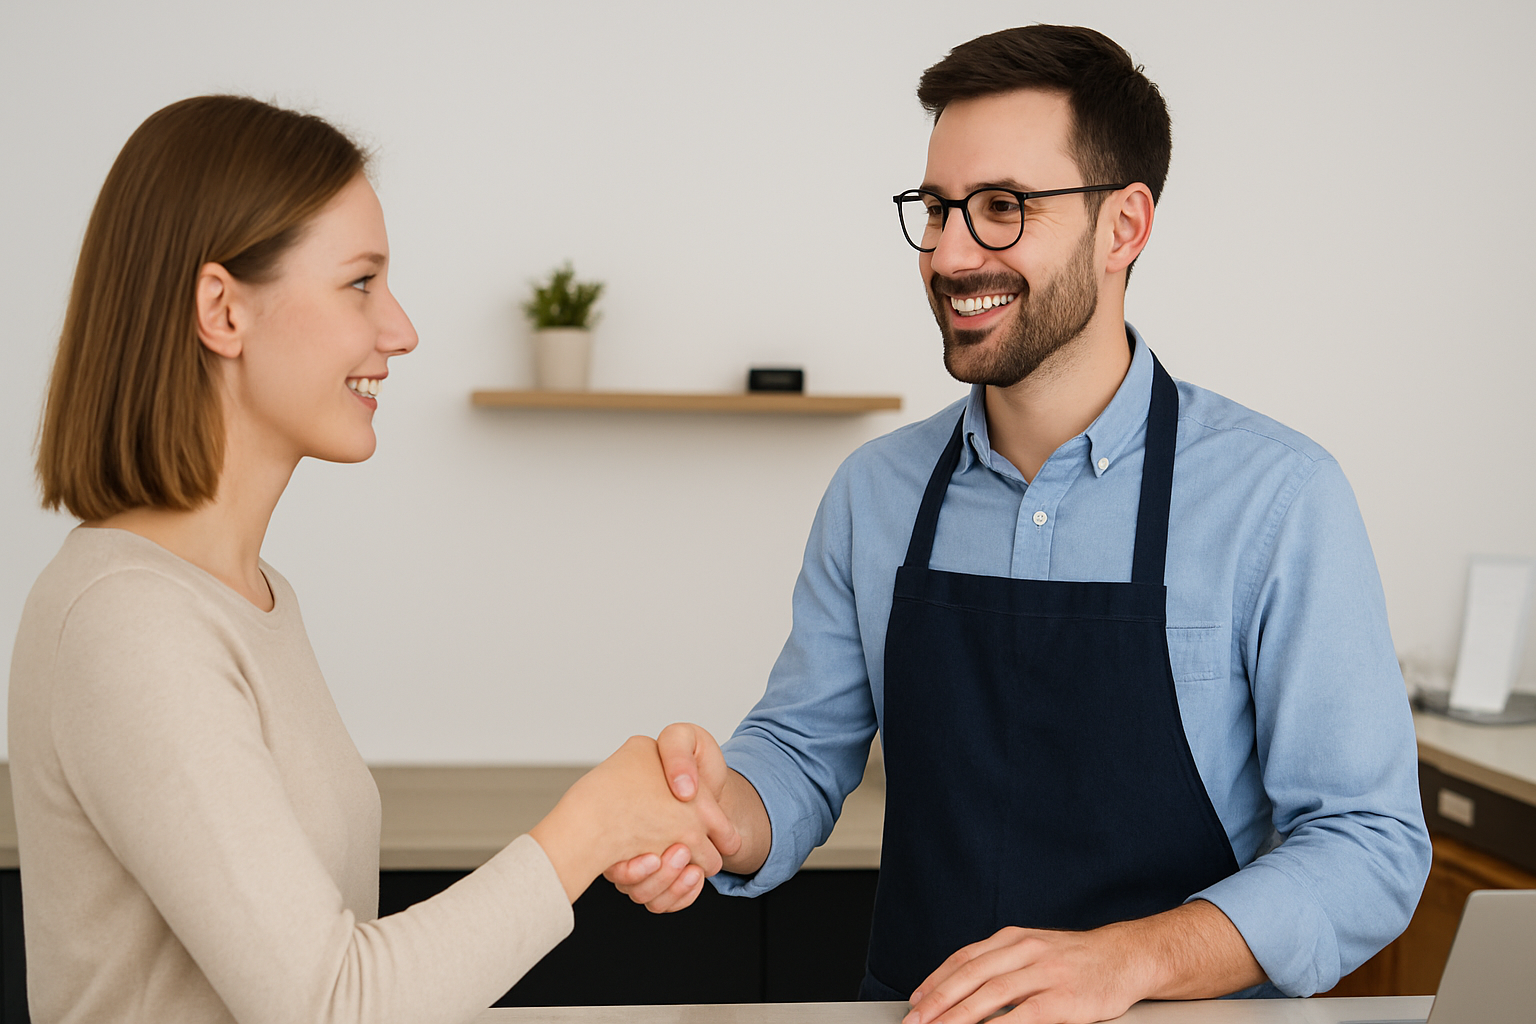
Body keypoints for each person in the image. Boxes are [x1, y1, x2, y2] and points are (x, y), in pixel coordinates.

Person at [604, 24, 1432, 1023]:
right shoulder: (876, 493)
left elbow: (1367, 844)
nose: (952, 253)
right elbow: (802, 747)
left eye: (1002, 209)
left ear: (1124, 227)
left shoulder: (1279, 499)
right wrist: (718, 816)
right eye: (939, 209)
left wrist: (1125, 961)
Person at [8, 95, 735, 1024]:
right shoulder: (128, 622)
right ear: (221, 310)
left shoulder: (251, 601)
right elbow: (333, 1003)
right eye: (360, 283)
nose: (400, 330)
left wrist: (632, 815)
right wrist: (591, 827)